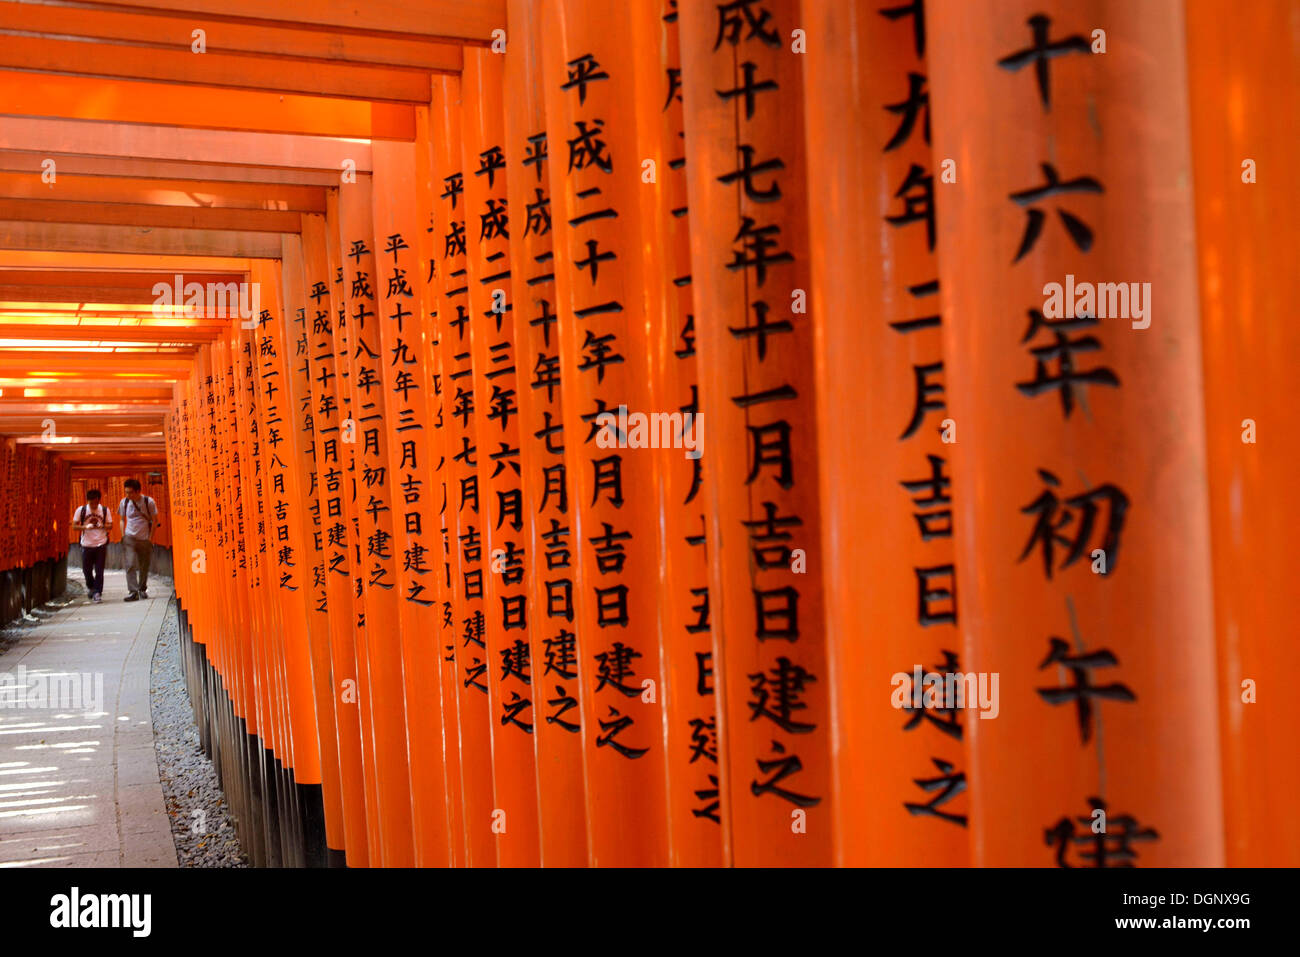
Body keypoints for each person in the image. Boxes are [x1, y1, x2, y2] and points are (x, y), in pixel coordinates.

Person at [119, 478, 160, 602]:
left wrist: (150, 539)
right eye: (126, 492)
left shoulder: (148, 502)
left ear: (138, 491)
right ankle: (133, 591)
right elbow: (121, 519)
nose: (128, 495)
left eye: (130, 492)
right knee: (130, 564)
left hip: (144, 539)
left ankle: (142, 588)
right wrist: (123, 536)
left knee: (144, 565)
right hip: (129, 537)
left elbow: (155, 521)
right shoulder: (124, 502)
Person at [71, 488, 112, 603]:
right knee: (86, 570)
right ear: (87, 501)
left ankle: (97, 592)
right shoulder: (81, 510)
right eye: (91, 503)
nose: (93, 505)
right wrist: (85, 527)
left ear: (99, 500)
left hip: (101, 543)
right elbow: (74, 526)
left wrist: (102, 526)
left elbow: (110, 525)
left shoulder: (104, 510)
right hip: (86, 544)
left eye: (95, 503)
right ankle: (92, 588)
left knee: (99, 570)